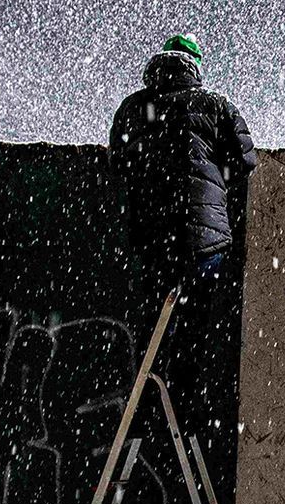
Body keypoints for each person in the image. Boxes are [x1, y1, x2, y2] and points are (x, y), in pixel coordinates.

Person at [108, 34, 257, 443]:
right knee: (194, 327)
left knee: (154, 324)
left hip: (153, 239)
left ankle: (144, 409)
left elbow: (116, 161)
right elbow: (246, 160)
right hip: (204, 243)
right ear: (195, 68)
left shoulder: (134, 107)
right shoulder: (214, 104)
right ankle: (184, 412)